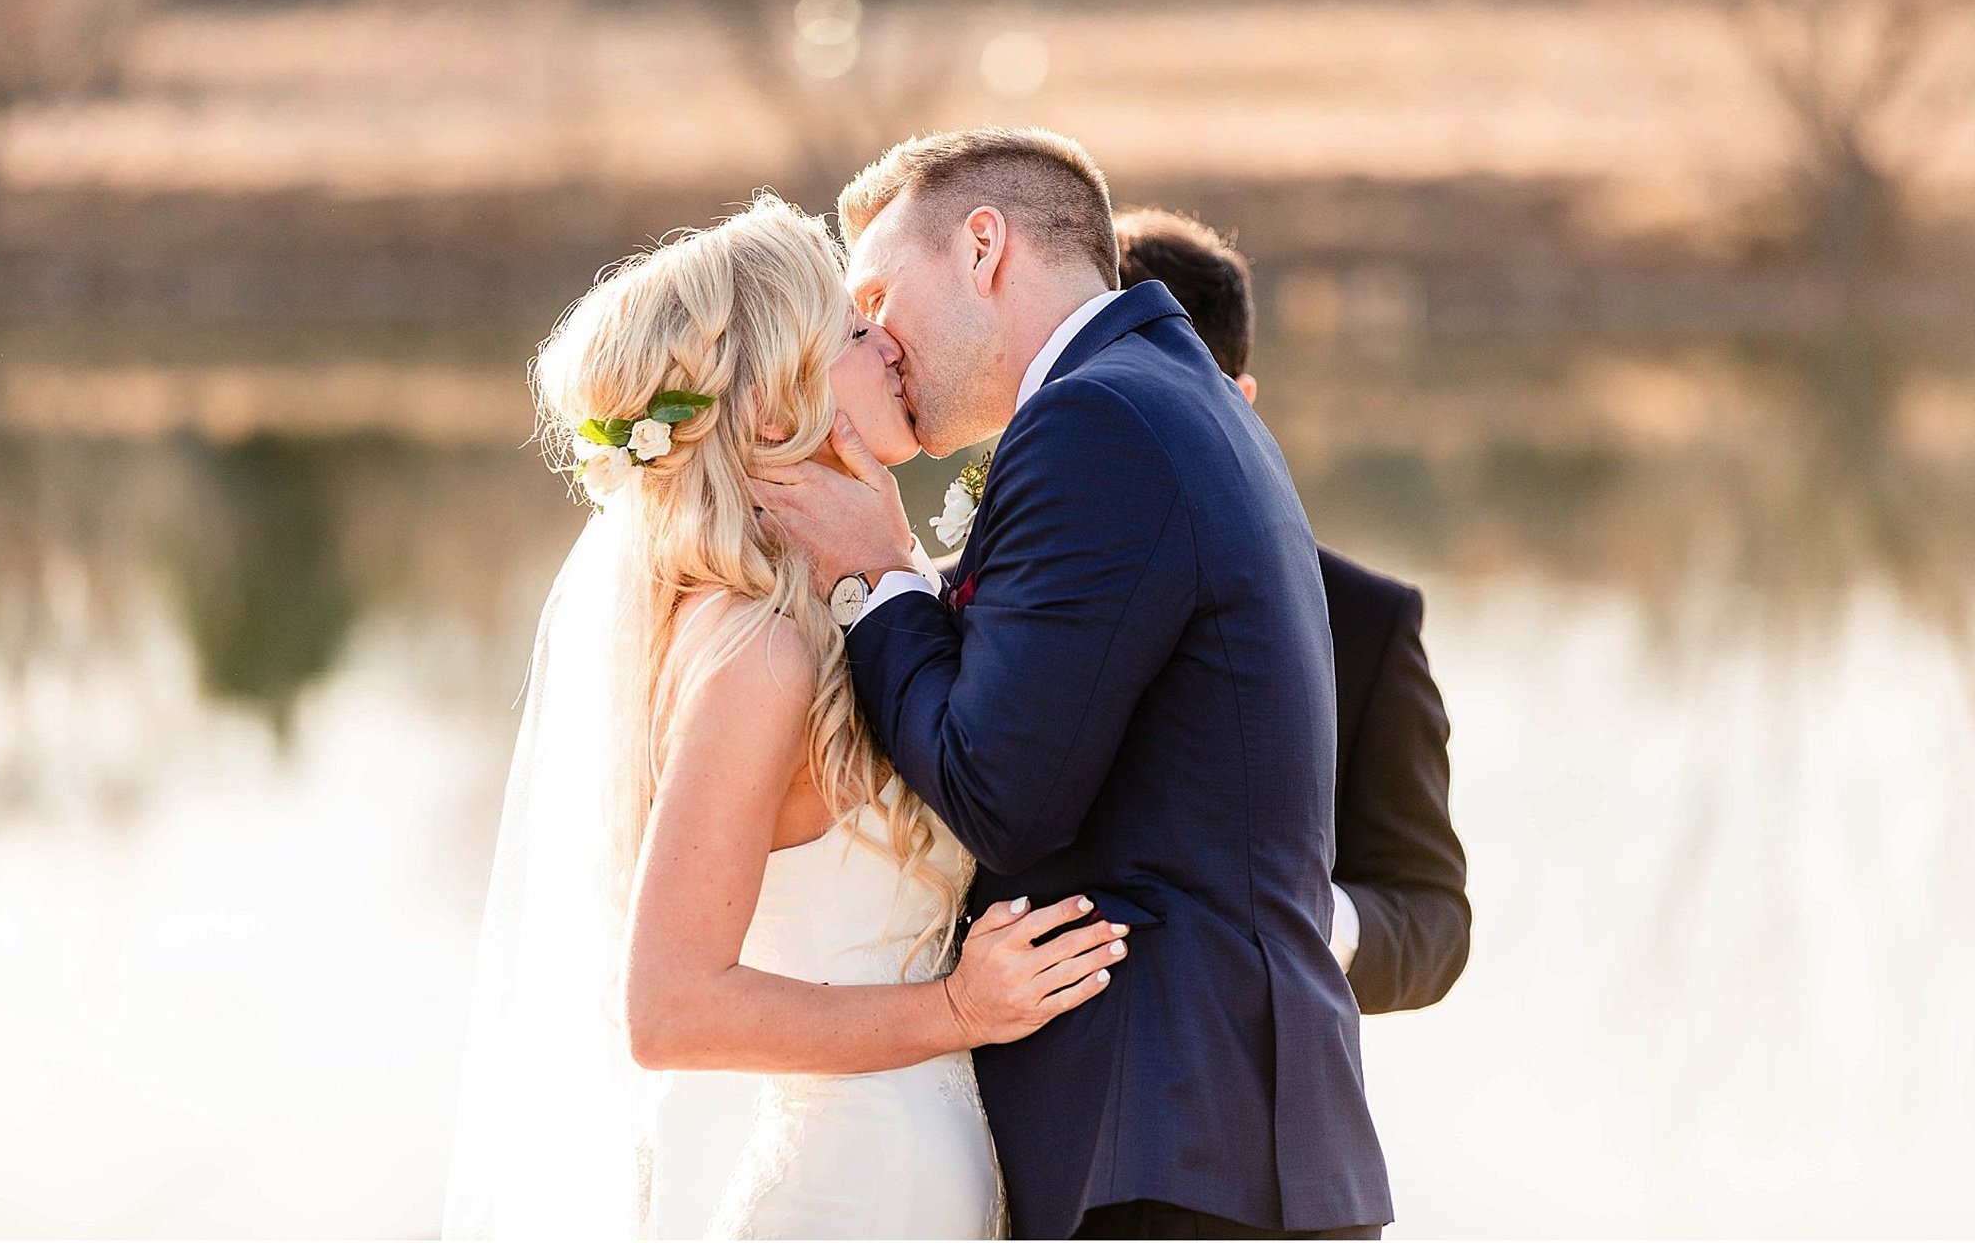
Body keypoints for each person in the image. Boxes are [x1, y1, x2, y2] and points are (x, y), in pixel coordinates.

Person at [441, 194, 1132, 1240]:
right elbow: (669, 1005)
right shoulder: (757, 648)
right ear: (777, 406)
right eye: (853, 332)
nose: (888, 342)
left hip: (909, 1183)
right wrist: (956, 1009)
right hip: (849, 1195)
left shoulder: (828, 615)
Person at [757, 128, 1392, 1241]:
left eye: (877, 294)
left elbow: (1004, 788)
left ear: (984, 246)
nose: (877, 341)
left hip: (1168, 1151)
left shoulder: (1097, 419)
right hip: (1223, 1140)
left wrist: (880, 575)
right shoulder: (1172, 394)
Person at [1113, 206, 1469, 1014]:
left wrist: (1310, 917)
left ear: (1240, 403)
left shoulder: (1366, 623)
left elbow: (1435, 920)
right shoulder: (961, 594)